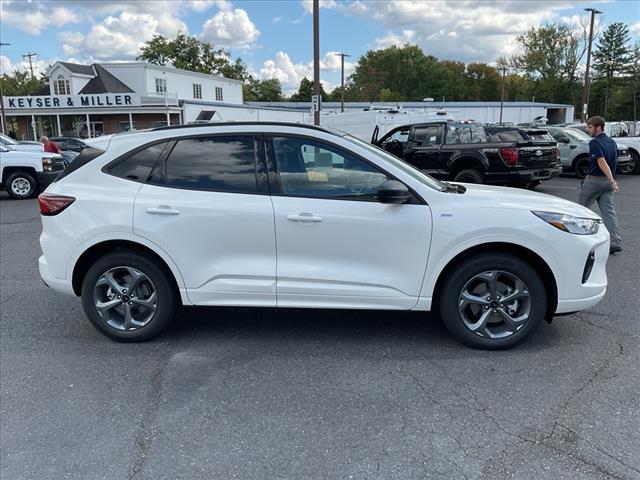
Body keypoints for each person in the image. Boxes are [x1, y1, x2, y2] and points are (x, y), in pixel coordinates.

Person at [578, 116, 622, 254]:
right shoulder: (612, 142)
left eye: (590, 127)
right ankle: (614, 242)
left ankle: (578, 242)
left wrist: (612, 181)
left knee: (579, 211)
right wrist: (611, 181)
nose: (587, 129)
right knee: (609, 212)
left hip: (594, 181)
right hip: (607, 183)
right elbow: (614, 161)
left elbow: (601, 161)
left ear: (598, 127)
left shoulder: (594, 143)